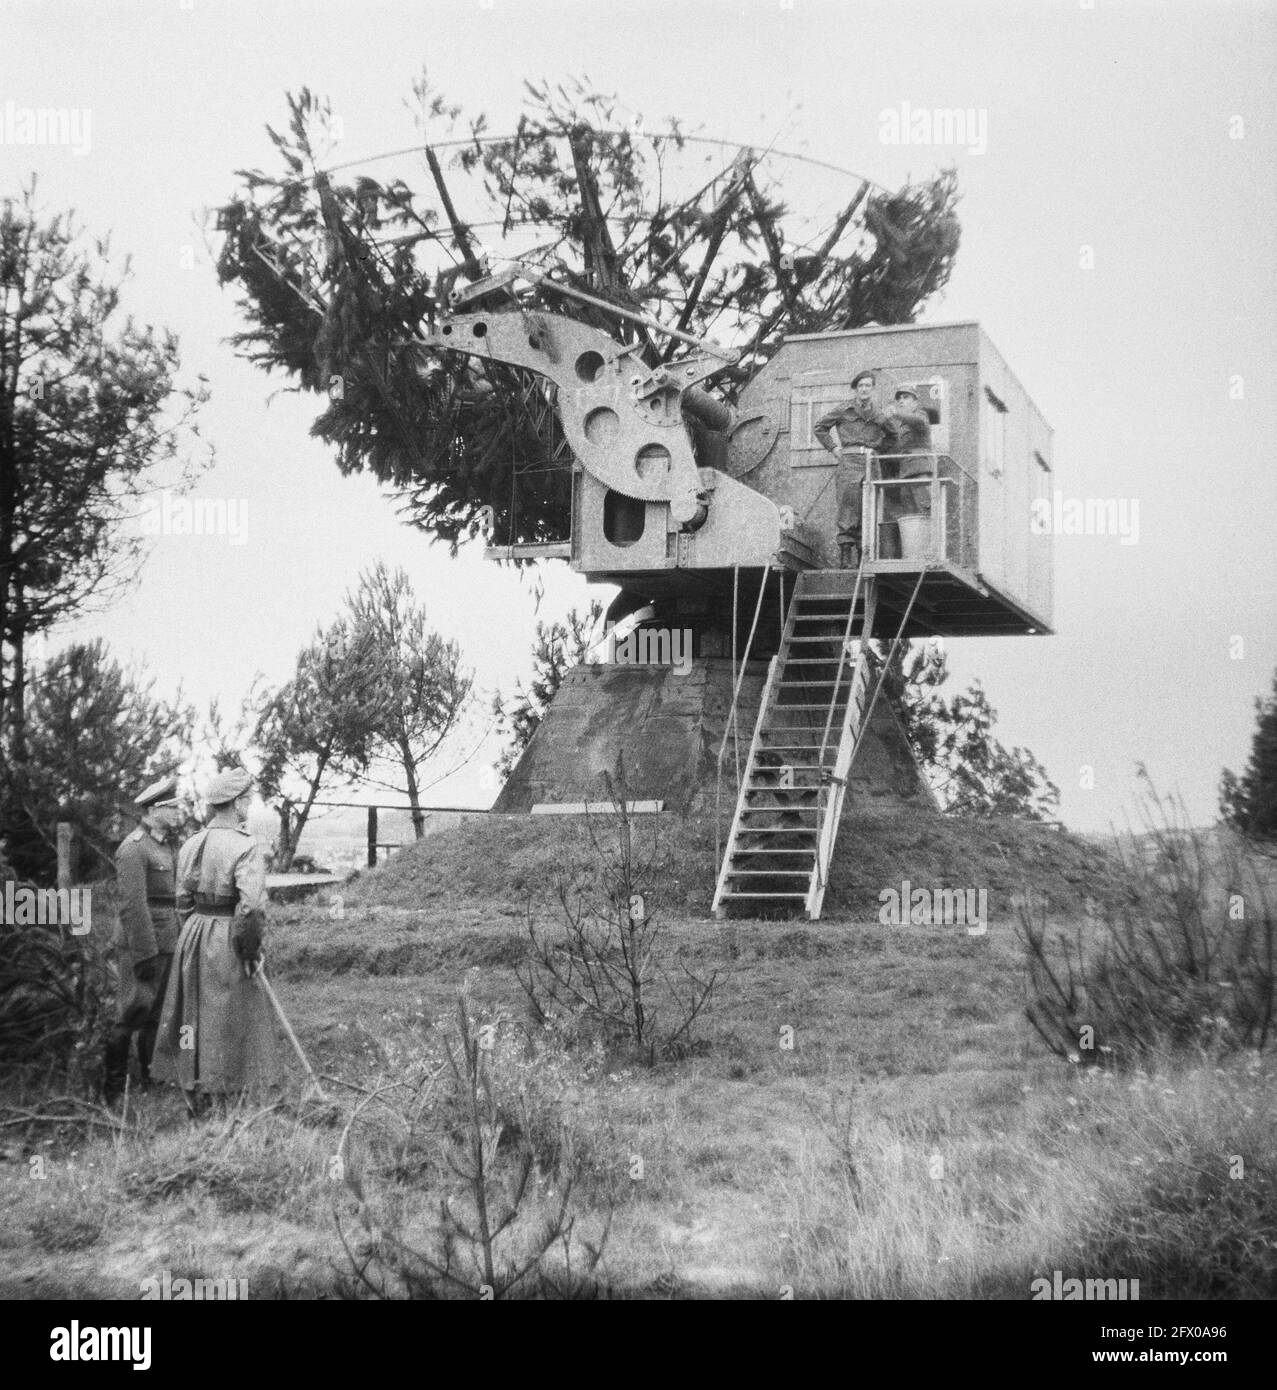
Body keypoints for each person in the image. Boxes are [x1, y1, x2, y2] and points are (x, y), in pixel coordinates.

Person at [150, 767, 283, 1114]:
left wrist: (191, 933)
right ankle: (226, 1096)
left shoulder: (192, 843)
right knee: (227, 1013)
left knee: (193, 1013)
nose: (249, 805)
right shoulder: (245, 846)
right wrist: (250, 950)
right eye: (248, 800)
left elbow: (182, 900)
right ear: (237, 803)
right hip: (228, 934)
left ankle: (195, 1091)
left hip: (193, 932)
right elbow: (251, 907)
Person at [104, 777, 184, 1105]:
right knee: (131, 1012)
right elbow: (133, 905)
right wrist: (144, 952)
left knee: (155, 1014)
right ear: (153, 811)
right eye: (172, 807)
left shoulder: (165, 845)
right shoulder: (134, 848)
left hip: (166, 940)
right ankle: (112, 1090)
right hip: (144, 943)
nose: (179, 812)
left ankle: (151, 1078)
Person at [814, 371, 898, 567]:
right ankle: (845, 558)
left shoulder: (879, 414)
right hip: (849, 461)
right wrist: (834, 449)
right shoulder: (845, 409)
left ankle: (863, 557)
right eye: (860, 386)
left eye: (868, 385)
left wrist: (877, 451)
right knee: (848, 506)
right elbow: (820, 427)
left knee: (869, 506)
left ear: (873, 388)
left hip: (871, 463)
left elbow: (893, 436)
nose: (864, 389)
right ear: (856, 389)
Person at [885, 387, 935, 519]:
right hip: (906, 474)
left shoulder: (921, 415)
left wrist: (896, 413)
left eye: (906, 397)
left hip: (920, 471)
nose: (901, 401)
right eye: (899, 399)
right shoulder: (901, 425)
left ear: (915, 402)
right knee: (910, 516)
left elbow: (917, 421)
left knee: (926, 511)